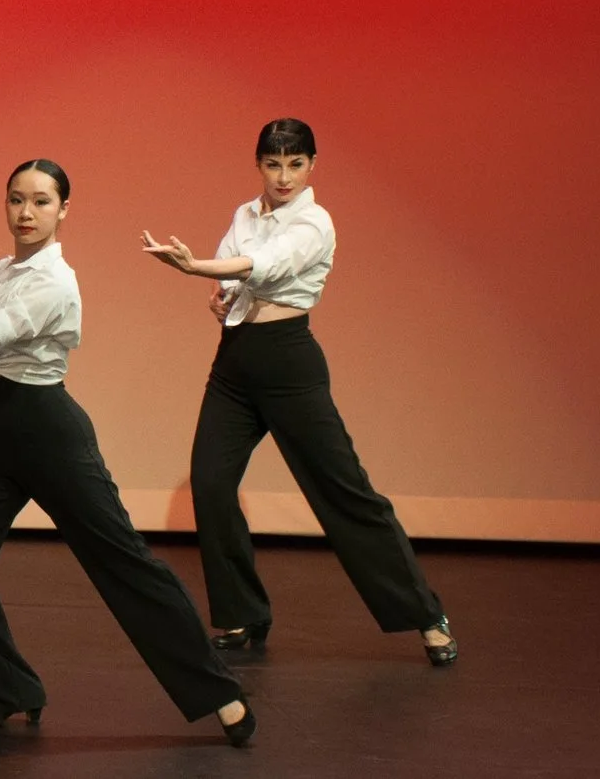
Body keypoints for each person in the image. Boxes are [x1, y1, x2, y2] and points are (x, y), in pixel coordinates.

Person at [0, 159, 254, 745]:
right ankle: (9, 689)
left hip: (49, 432)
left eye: (41, 201)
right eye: (17, 199)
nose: (26, 212)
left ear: (64, 210)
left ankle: (220, 694)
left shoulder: (56, 280)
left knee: (125, 565)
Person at [139, 117, 454, 665]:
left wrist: (197, 267)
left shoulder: (314, 221)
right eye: (273, 164)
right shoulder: (245, 214)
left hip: (290, 364)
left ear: (311, 166)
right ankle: (243, 613)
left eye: (295, 164)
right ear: (258, 165)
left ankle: (426, 615)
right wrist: (220, 291)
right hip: (234, 365)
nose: (283, 177)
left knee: (344, 492)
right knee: (211, 485)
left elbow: (265, 264)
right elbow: (235, 273)